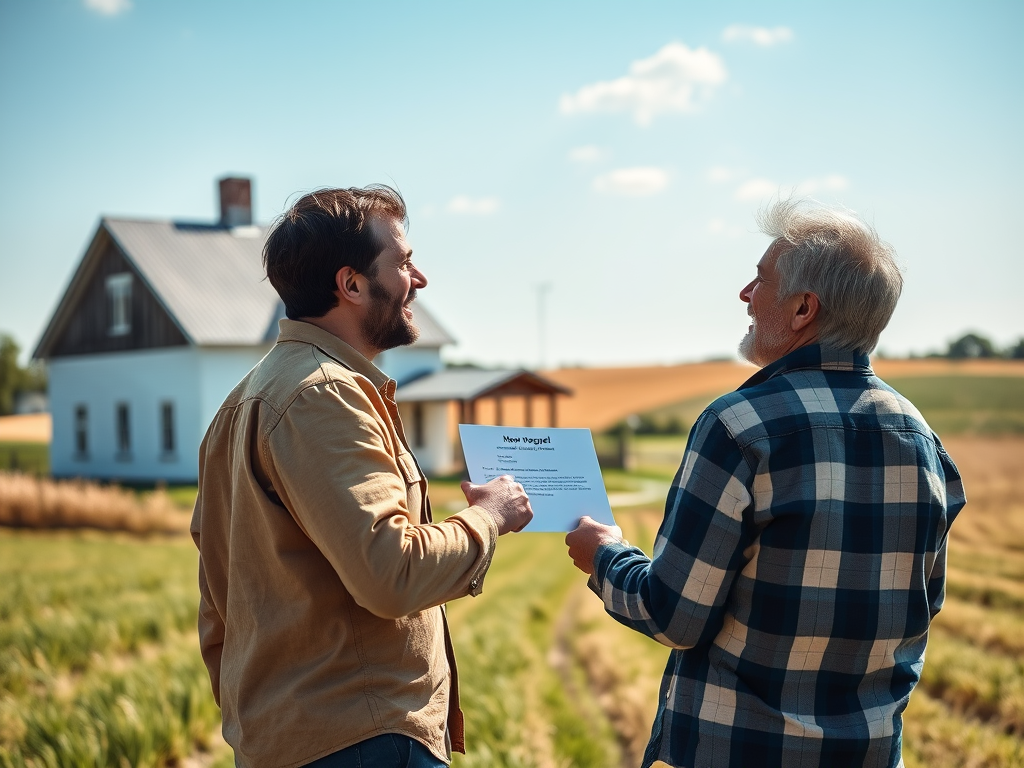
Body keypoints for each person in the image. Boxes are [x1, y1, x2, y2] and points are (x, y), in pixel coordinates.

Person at [565, 199, 965, 768]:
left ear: (804, 308)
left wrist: (603, 556)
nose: (745, 295)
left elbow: (673, 614)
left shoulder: (739, 426)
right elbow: (924, 607)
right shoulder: (923, 440)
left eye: (760, 280)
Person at [190, 186, 533, 768]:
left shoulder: (241, 401)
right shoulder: (326, 396)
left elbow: (217, 604)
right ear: (350, 285)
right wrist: (489, 516)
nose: (417, 279)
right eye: (401, 262)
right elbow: (391, 571)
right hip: (362, 741)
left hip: (300, 740)